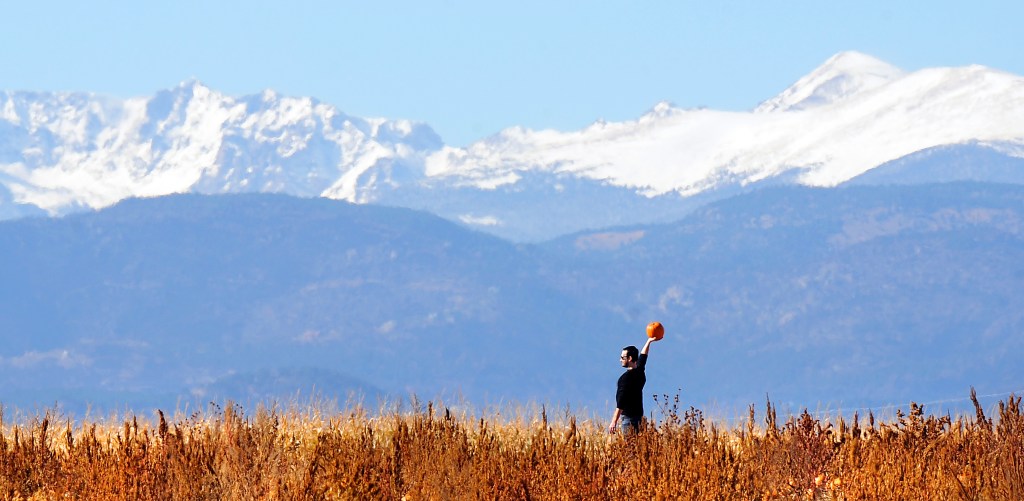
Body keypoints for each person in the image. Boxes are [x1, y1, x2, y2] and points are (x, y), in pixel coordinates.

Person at [609, 336, 659, 435]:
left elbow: (621, 403)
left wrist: (613, 422)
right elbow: (643, 356)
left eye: (622, 357)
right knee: (640, 444)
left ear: (630, 358)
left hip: (629, 420)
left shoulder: (625, 379)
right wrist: (649, 341)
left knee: (629, 444)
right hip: (640, 418)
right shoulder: (639, 371)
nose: (620, 360)